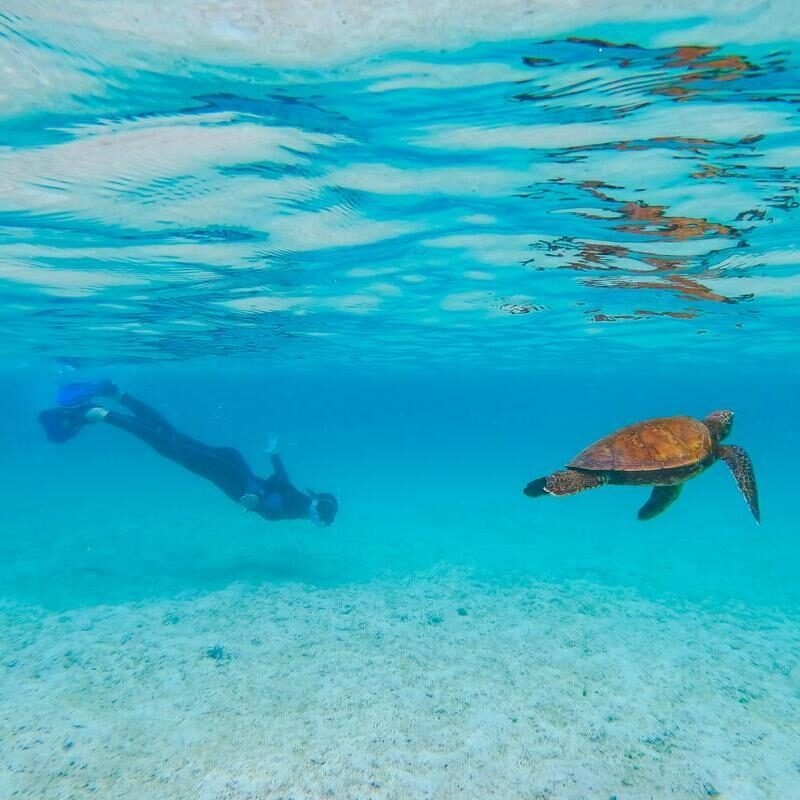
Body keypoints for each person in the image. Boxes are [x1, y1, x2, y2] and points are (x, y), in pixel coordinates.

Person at [38, 381, 338, 526]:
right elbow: (273, 501)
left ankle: (117, 394)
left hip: (231, 465)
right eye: (323, 522)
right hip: (226, 472)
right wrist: (256, 498)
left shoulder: (301, 502)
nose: (319, 525)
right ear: (319, 514)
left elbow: (280, 484)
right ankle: (101, 414)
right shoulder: (299, 507)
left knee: (170, 436)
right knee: (166, 445)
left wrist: (273, 456)